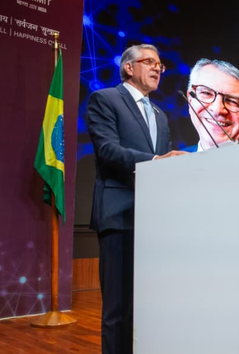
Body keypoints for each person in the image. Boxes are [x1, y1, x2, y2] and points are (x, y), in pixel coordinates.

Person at [85, 44, 187, 354]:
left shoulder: (160, 114)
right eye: (150, 62)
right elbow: (107, 150)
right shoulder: (105, 99)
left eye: (161, 65)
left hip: (152, 221)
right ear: (129, 67)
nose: (158, 68)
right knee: (118, 309)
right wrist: (156, 160)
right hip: (119, 214)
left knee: (146, 305)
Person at [184, 58, 239, 151]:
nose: (217, 109)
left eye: (232, 101)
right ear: (190, 100)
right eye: (207, 93)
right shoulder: (173, 162)